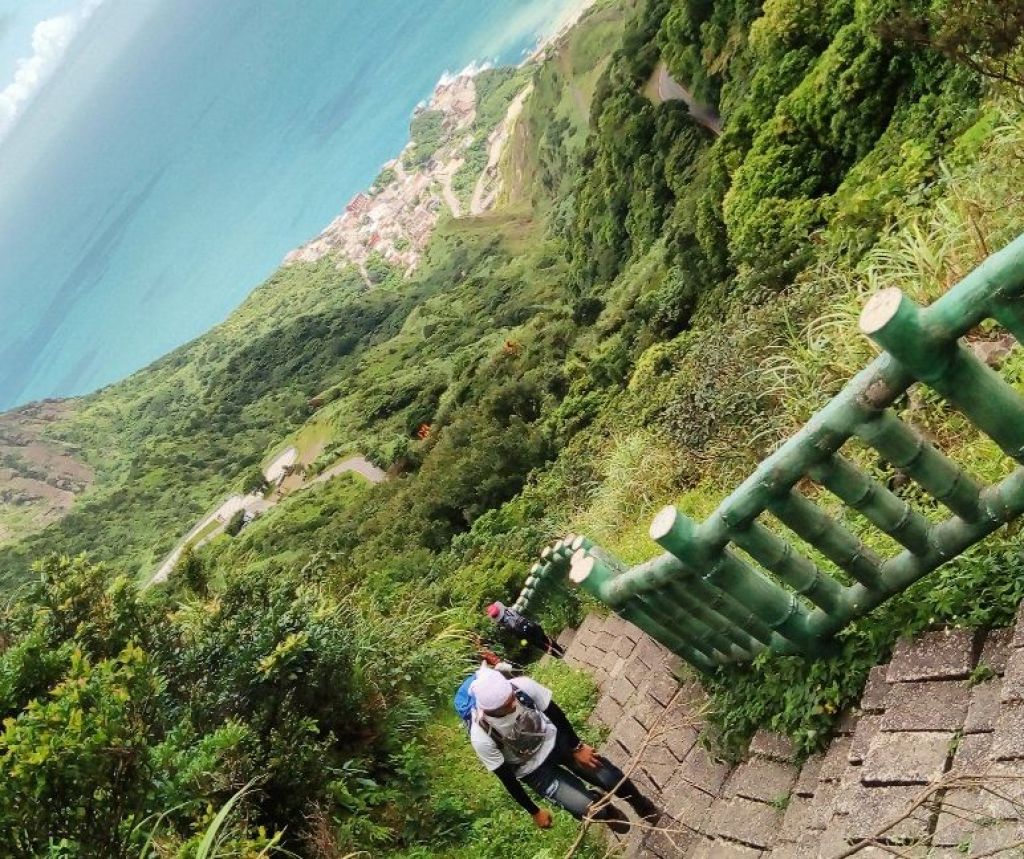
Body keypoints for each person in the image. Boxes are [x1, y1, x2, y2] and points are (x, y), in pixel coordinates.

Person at [467, 666, 660, 833]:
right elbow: (507, 779)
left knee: (609, 777)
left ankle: (642, 806)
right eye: (506, 705)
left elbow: (555, 713)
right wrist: (534, 812)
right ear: (490, 710)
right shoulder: (481, 737)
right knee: (585, 807)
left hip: (555, 740)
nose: (513, 703)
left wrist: (577, 747)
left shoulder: (522, 687)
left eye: (511, 697)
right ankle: (605, 809)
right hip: (532, 771)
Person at [486, 601, 565, 658]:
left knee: (542, 646)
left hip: (526, 635)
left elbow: (517, 635)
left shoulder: (505, 625)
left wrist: (524, 643)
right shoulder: (509, 610)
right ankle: (561, 650)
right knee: (545, 638)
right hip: (530, 624)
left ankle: (558, 656)